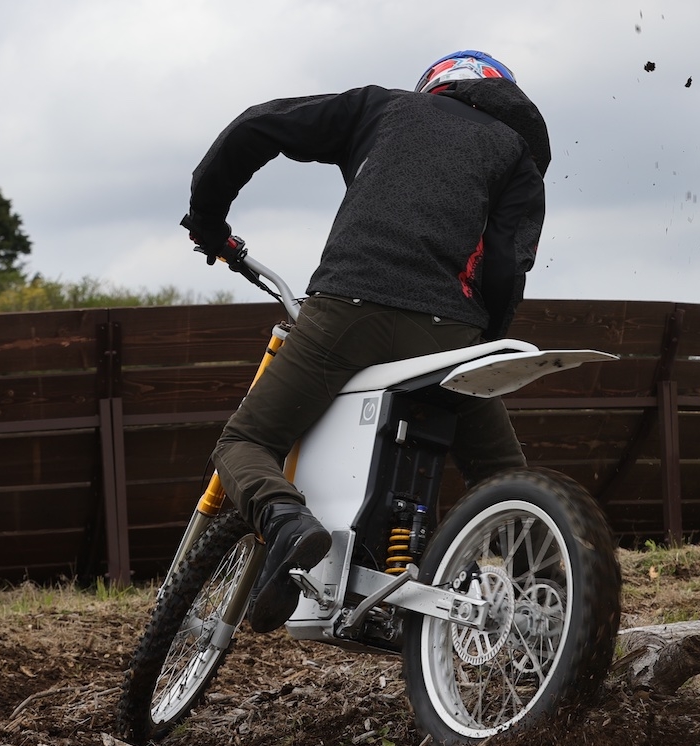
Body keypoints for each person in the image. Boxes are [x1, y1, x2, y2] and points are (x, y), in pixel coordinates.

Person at [183, 50, 551, 633]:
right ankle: (565, 620)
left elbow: (258, 125)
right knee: (511, 485)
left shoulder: (381, 109)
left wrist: (209, 216)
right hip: (448, 332)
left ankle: (285, 520)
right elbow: (506, 268)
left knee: (245, 441)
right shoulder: (515, 155)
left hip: (346, 311)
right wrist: (477, 344)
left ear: (434, 86)